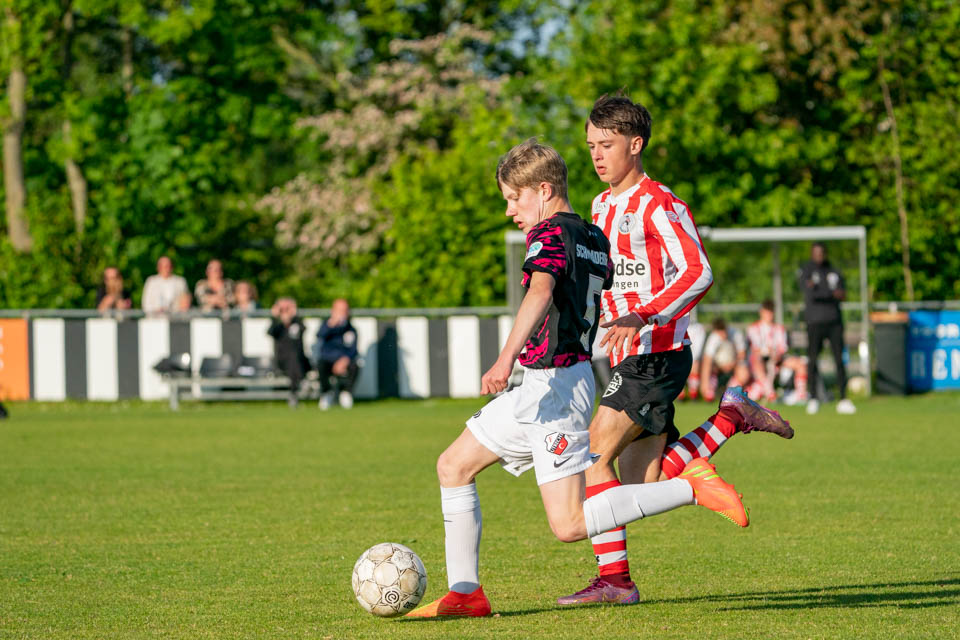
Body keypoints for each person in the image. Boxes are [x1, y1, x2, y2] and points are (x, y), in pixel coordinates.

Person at [407, 138, 749, 619]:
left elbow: (542, 290)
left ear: (543, 190)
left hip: (556, 389)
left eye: (514, 198)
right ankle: (466, 593)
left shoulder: (548, 235)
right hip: (545, 384)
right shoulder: (593, 237)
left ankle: (692, 488)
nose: (510, 210)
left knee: (568, 524)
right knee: (453, 466)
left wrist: (505, 358)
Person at [557, 94, 793, 606]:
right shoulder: (600, 206)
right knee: (650, 478)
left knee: (593, 454)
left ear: (635, 144)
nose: (596, 156)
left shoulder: (660, 204)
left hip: (657, 351)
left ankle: (616, 582)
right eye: (591, 145)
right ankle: (731, 417)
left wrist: (646, 315)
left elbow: (698, 271)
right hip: (624, 356)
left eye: (607, 144)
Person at [800, 242, 854, 414]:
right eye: (816, 252)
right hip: (814, 322)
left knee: (839, 359)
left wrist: (820, 290)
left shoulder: (834, 271)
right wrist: (831, 293)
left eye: (822, 252)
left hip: (834, 322)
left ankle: (844, 398)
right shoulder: (806, 270)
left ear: (825, 253)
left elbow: (843, 294)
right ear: (812, 254)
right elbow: (810, 294)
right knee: (813, 359)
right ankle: (814, 397)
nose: (819, 255)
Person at [746, 300, 808, 404]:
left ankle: (801, 395)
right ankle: (769, 392)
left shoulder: (779, 328)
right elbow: (756, 348)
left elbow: (782, 348)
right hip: (760, 360)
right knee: (756, 359)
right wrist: (768, 352)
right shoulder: (753, 328)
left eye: (771, 312)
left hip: (777, 360)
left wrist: (776, 356)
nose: (769, 315)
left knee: (800, 364)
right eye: (767, 311)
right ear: (761, 312)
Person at [315, 298, 360, 410]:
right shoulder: (327, 326)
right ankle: (326, 393)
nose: (342, 313)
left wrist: (344, 360)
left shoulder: (350, 329)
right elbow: (320, 336)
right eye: (339, 310)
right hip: (328, 360)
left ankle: (346, 393)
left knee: (355, 366)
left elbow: (353, 350)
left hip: (344, 361)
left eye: (344, 310)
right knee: (321, 365)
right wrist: (331, 325)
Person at [268, 297, 310, 407]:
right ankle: (300, 383)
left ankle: (293, 393)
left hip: (300, 361)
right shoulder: (277, 325)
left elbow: (303, 329)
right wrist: (276, 318)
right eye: (283, 309)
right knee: (292, 359)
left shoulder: (297, 322)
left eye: (288, 308)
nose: (285, 312)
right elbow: (270, 332)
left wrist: (294, 316)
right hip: (282, 361)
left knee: (295, 358)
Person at [699, 318, 747, 403]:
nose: (722, 335)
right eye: (720, 333)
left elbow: (742, 354)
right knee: (708, 368)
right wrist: (704, 383)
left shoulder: (736, 334)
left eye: (724, 331)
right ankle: (710, 390)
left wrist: (732, 364)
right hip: (718, 366)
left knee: (744, 373)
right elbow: (707, 360)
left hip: (734, 364)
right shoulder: (713, 338)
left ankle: (730, 392)